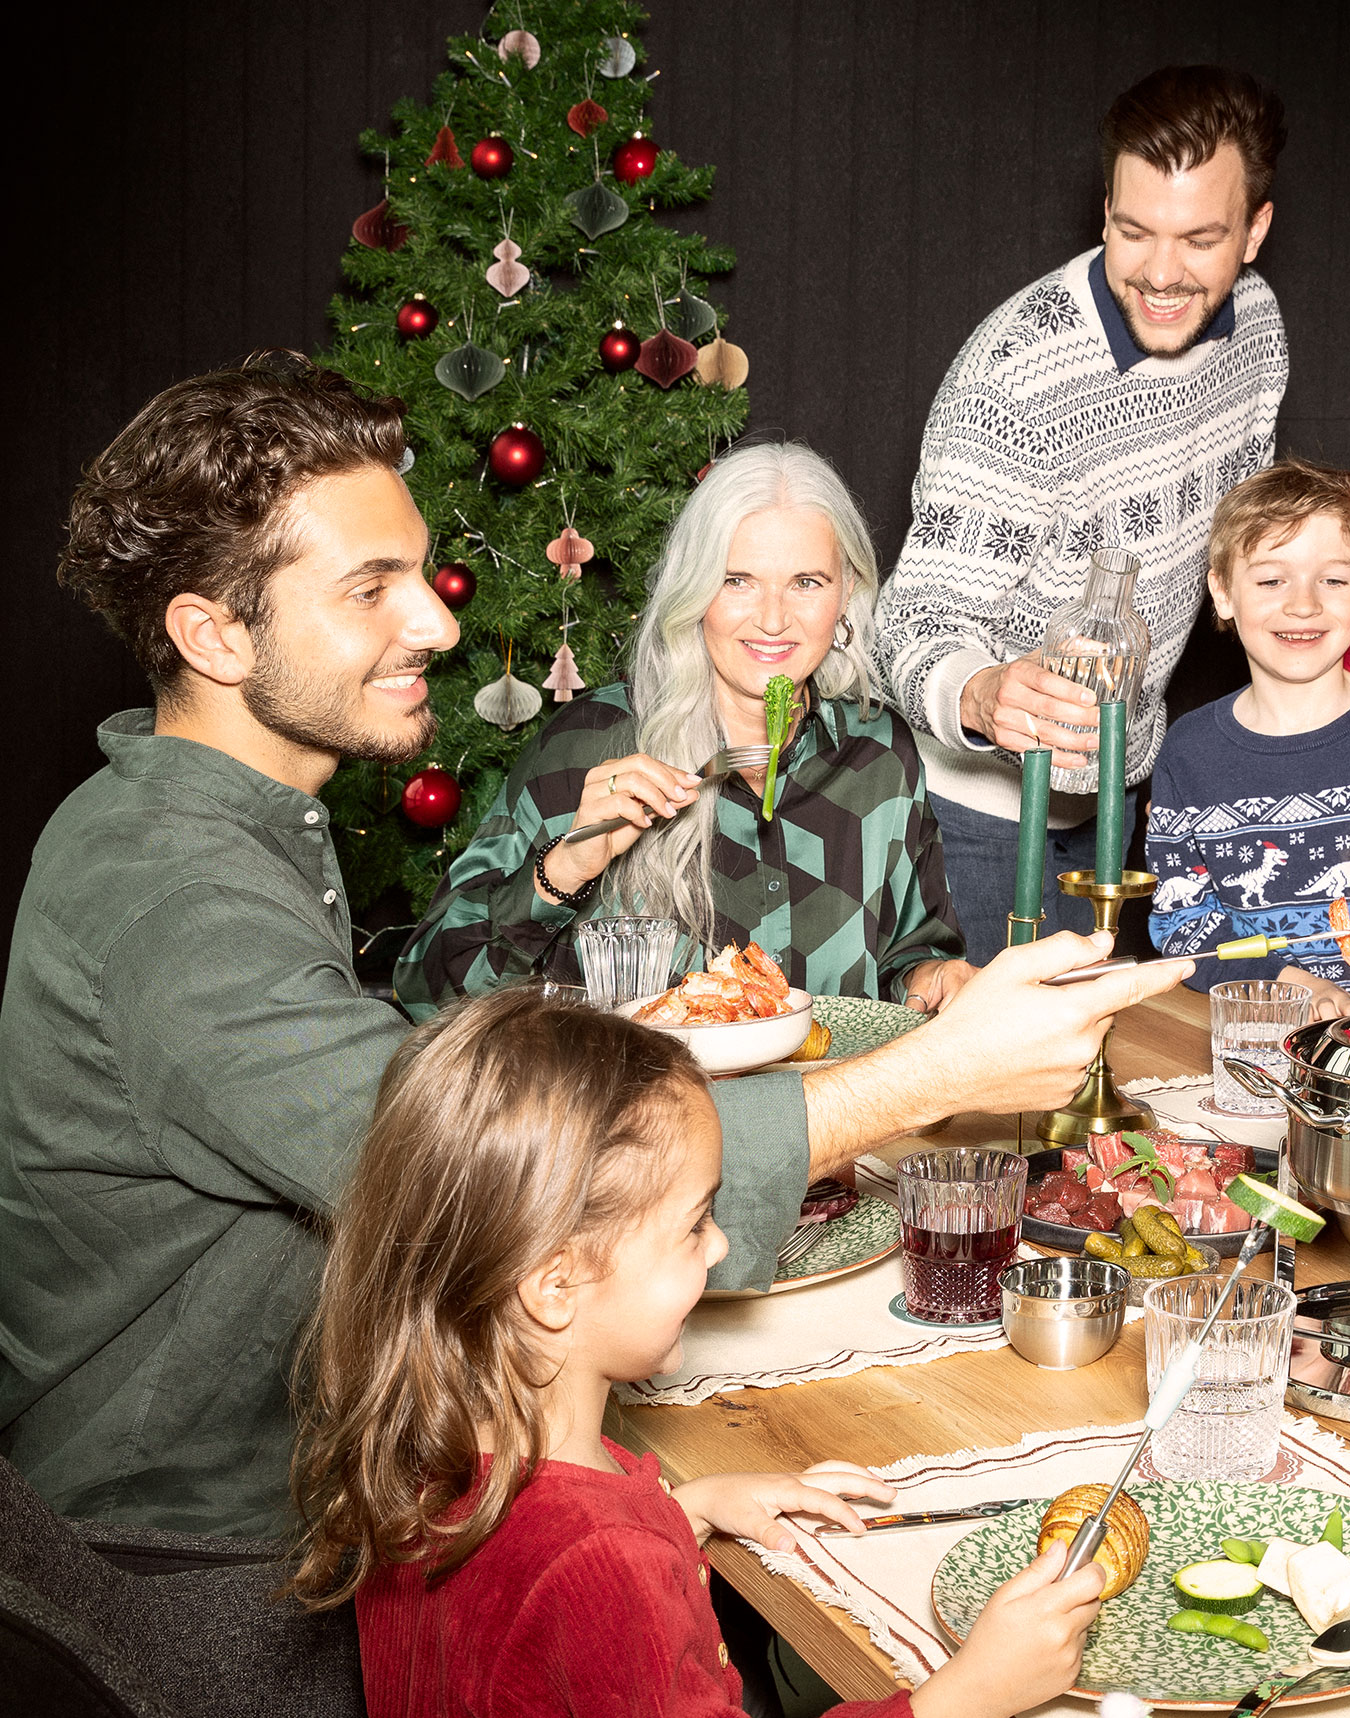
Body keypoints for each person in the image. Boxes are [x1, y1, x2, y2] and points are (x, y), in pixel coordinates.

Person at [0, 355, 1192, 1538]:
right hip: (194, 1549)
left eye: (421, 571)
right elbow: (486, 1169)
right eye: (372, 587)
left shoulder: (226, 834)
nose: (438, 617)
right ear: (213, 633)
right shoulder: (173, 895)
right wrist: (935, 1075)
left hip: (380, 1456)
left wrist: (657, 1495)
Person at [292, 986, 1105, 1718]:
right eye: (692, 1225)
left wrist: (688, 1503)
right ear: (553, 1284)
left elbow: (516, 1624)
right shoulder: (597, 1563)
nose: (720, 1245)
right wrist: (974, 1686)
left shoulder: (433, 1444)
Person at [876, 65, 1290, 962]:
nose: (1163, 274)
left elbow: (1233, 521)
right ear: (1104, 208)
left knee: (1104, 1075)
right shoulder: (1014, 377)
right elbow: (908, 620)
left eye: (1200, 238)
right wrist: (981, 693)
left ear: (1255, 229)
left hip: (1121, 791)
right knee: (1002, 1094)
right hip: (975, 812)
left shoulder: (1258, 331)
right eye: (1134, 231)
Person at [398, 443, 973, 1016]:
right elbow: (428, 995)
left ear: (848, 593)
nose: (773, 619)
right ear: (694, 591)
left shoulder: (879, 754)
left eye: (807, 582)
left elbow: (908, 955)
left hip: (836, 1101)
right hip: (634, 1104)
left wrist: (931, 977)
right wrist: (565, 867)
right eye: (737, 580)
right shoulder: (590, 743)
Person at [1148, 462, 1350, 1014]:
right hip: (1265, 1049)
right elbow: (1182, 930)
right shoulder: (1189, 752)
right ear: (1223, 593)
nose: (1303, 603)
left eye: (1332, 580)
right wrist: (1287, 982)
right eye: (1271, 579)